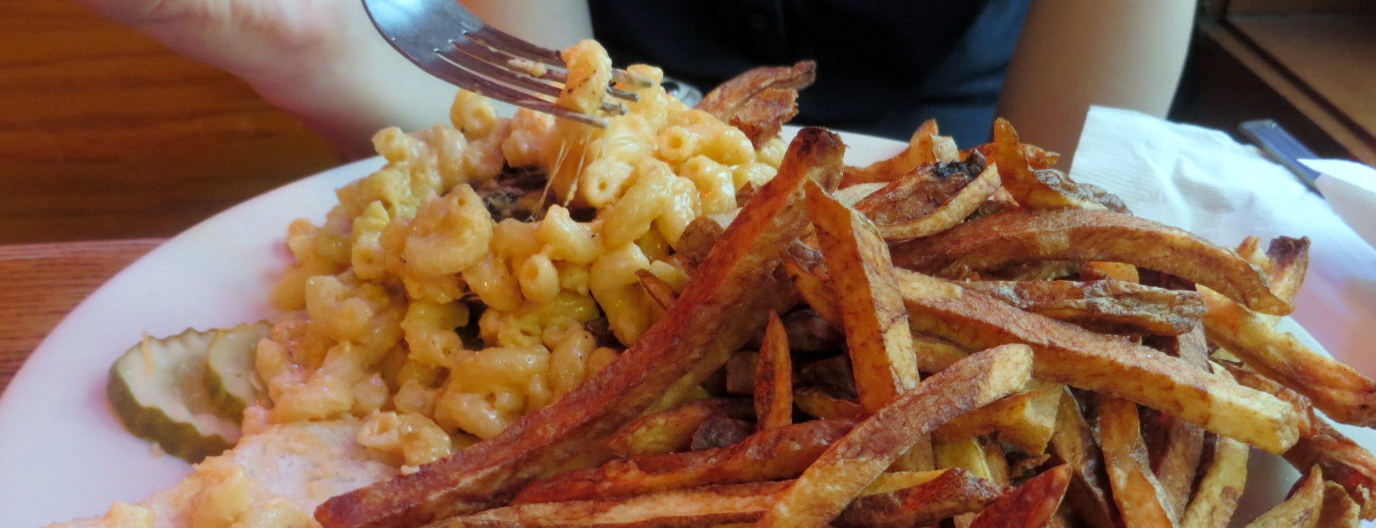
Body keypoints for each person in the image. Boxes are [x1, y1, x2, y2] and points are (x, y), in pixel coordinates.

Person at [73, 0, 1196, 162]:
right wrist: (300, 44)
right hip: (616, 166)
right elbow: (542, 116)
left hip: (966, 173)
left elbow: (1083, 189)